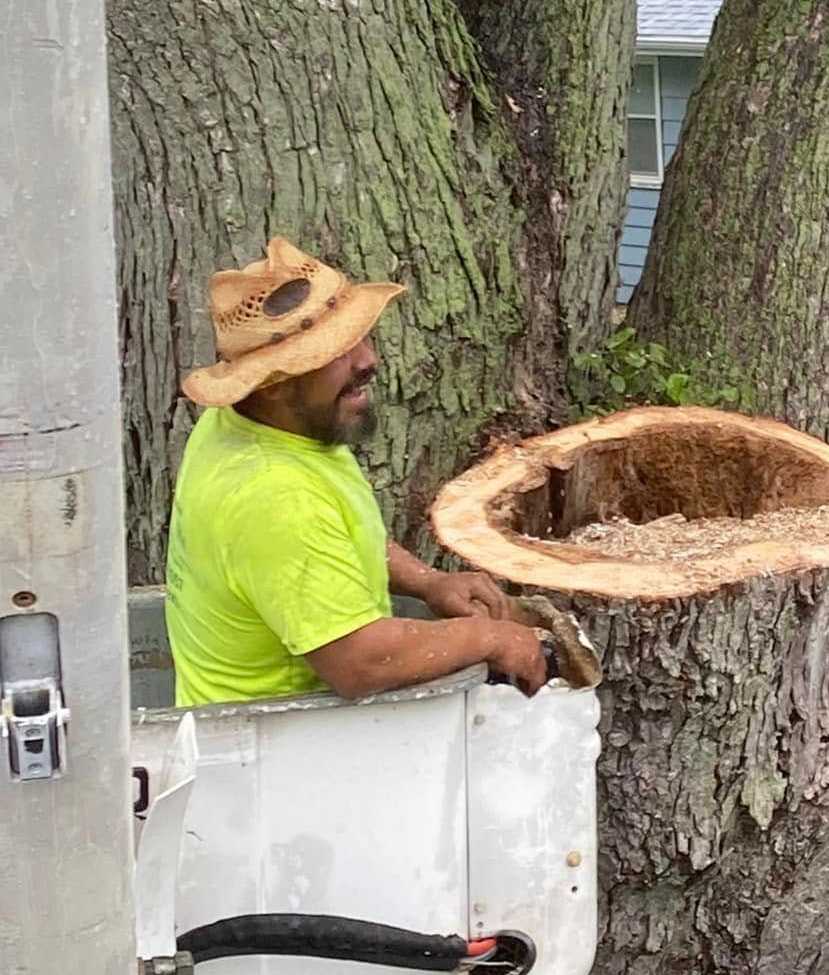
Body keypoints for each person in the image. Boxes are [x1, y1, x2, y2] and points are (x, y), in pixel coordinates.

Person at [166, 236, 547, 708]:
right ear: (270, 388)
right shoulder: (274, 497)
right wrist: (490, 638)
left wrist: (428, 582)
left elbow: (336, 541)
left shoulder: (260, 424)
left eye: (358, 337)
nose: (368, 360)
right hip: (281, 754)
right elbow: (360, 662)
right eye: (333, 352)